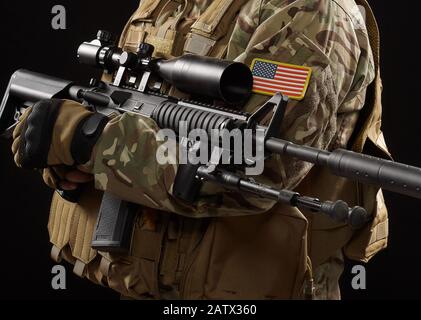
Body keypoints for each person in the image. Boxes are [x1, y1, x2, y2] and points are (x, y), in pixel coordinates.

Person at [11, 0, 390, 300]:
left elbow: (253, 163)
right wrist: (72, 158)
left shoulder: (308, 12)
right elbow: (122, 106)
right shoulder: (168, 4)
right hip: (147, 282)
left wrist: (90, 139)